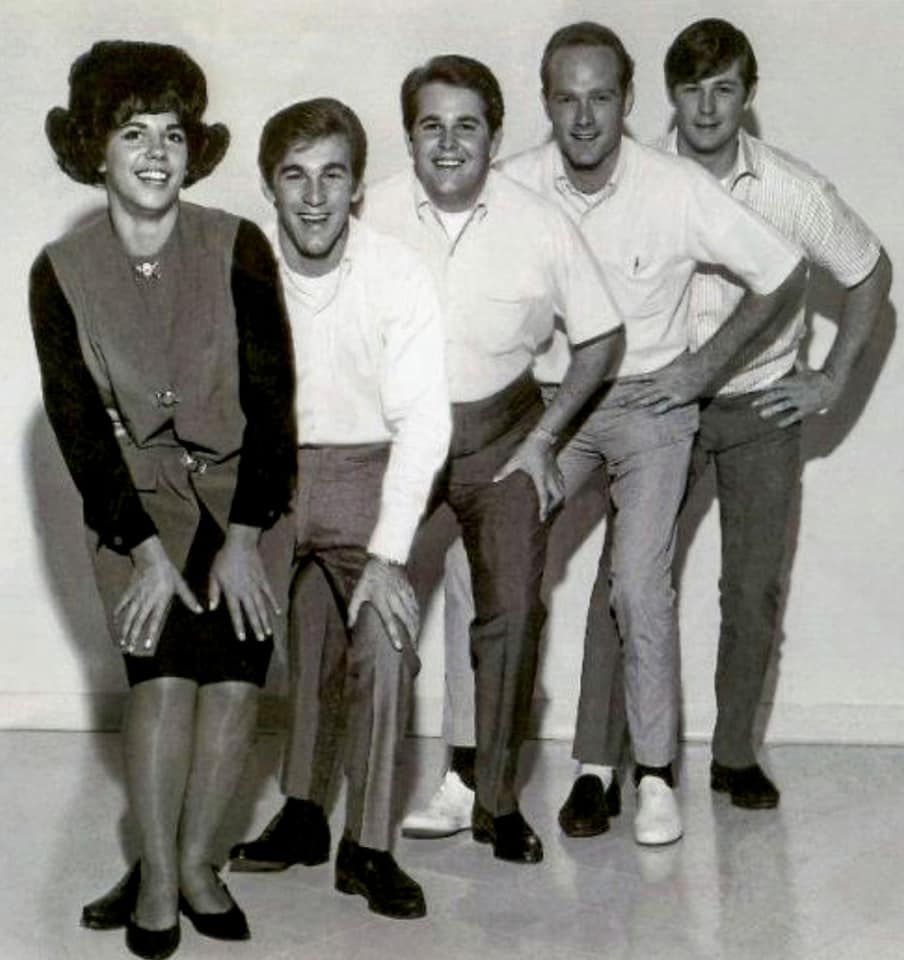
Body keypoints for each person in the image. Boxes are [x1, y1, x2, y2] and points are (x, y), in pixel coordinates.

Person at [401, 22, 807, 848]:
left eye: (600, 98)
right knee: (473, 566)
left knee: (637, 583)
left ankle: (653, 777)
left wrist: (701, 370)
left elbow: (781, 270)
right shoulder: (511, 183)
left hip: (649, 409)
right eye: (566, 99)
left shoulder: (674, 186)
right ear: (545, 103)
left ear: (627, 100)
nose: (584, 118)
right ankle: (465, 775)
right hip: (548, 410)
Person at [31, 41, 296, 959]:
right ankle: (151, 877)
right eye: (132, 132)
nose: (155, 152)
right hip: (135, 509)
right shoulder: (59, 270)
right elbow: (76, 428)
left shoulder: (239, 244)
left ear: (194, 150)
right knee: (164, 675)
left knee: (235, 680)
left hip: (246, 498)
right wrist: (143, 551)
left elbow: (274, 402)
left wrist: (246, 538)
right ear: (94, 150)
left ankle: (193, 863)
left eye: (173, 134)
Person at [364, 54, 626, 864]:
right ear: (409, 136)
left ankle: (497, 802)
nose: (449, 144)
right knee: (359, 600)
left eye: (467, 126)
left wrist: (545, 440)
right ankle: (341, 811)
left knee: (512, 610)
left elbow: (602, 337)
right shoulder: (369, 215)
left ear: (496, 136)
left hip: (503, 436)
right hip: (397, 438)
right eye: (431, 126)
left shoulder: (538, 221)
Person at [653, 18, 889, 807]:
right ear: (672, 95)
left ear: (748, 95)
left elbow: (870, 271)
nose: (707, 108)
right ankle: (624, 764)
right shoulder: (641, 178)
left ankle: (734, 755)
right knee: (634, 584)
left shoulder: (792, 189)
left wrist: (830, 379)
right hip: (667, 406)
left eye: (724, 89)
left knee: (752, 591)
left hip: (760, 406)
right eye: (692, 90)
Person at [226, 98, 451, 920]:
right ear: (269, 187)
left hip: (371, 476)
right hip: (271, 479)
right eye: (295, 176)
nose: (315, 197)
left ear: (358, 186)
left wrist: (388, 554)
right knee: (270, 642)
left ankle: (368, 846)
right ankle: (299, 814)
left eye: (333, 176)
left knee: (385, 644)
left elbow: (424, 422)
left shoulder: (398, 273)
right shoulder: (243, 272)